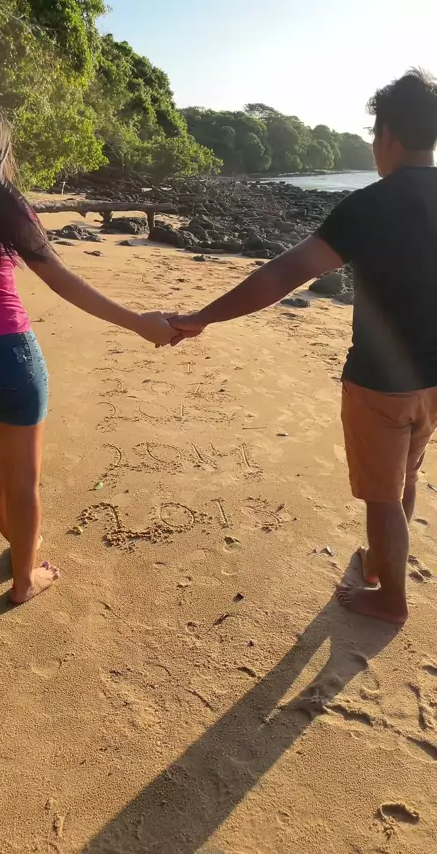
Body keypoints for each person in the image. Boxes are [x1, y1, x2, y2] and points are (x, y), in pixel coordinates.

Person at [170, 69, 437, 625]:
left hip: (379, 383)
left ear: (387, 134)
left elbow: (283, 274)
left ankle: (389, 599)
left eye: (374, 135)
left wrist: (203, 316)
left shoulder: (368, 206)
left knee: (383, 496)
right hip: (433, 383)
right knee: (405, 478)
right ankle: (376, 563)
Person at [0, 85, 177, 605]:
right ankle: (24, 579)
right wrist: (137, 322)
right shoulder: (3, 203)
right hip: (7, 352)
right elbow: (61, 281)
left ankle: (21, 552)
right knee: (23, 481)